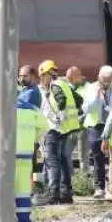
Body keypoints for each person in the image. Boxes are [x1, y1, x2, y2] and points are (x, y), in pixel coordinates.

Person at [80, 65, 112, 199]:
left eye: (108, 82)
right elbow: (86, 109)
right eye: (103, 81)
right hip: (96, 125)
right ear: (98, 77)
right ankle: (99, 187)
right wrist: (96, 96)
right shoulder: (91, 88)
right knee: (97, 156)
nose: (105, 84)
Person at [40, 60, 79, 204]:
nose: (42, 80)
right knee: (62, 160)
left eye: (42, 76)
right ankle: (66, 193)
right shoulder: (65, 85)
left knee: (53, 161)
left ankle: (53, 193)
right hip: (66, 129)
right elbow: (79, 100)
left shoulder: (55, 86)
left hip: (55, 128)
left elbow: (61, 101)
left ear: (47, 74)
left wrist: (61, 115)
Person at [16, 85, 46, 222]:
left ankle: (5, 221)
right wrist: (34, 138)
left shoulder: (1, 107)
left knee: (4, 189)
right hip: (26, 154)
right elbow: (45, 127)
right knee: (23, 189)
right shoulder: (32, 109)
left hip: (6, 156)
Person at [17, 65, 43, 180]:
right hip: (23, 132)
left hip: (28, 133)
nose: (22, 78)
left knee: (28, 162)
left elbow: (21, 109)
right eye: (20, 76)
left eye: (25, 76)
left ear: (32, 76)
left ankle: (30, 187)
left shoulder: (32, 93)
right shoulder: (25, 90)